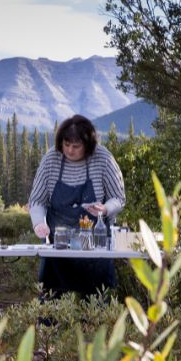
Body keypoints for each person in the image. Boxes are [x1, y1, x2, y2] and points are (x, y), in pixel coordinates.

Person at [28, 115, 126, 299]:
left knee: (98, 304)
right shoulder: (51, 159)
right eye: (66, 145)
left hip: (95, 248)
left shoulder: (103, 158)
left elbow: (119, 198)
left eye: (76, 146)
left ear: (88, 145)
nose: (69, 150)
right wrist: (38, 223)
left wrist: (105, 209)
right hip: (58, 247)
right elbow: (37, 201)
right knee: (49, 304)